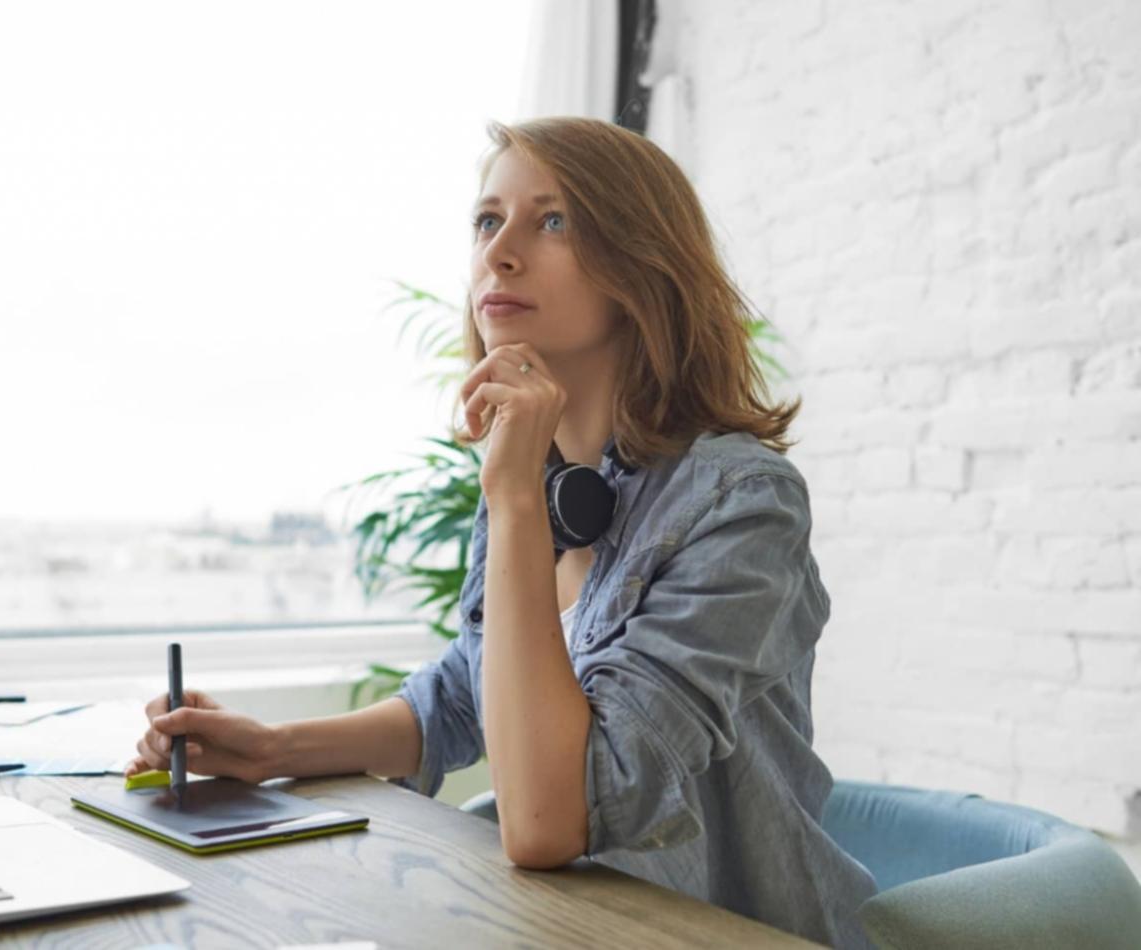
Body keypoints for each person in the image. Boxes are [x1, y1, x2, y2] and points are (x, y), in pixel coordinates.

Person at [126, 116, 878, 948]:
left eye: (551, 221)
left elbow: (550, 819)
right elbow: (464, 691)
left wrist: (514, 496)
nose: (500, 252)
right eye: (488, 221)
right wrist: (271, 749)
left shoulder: (740, 503)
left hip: (715, 931)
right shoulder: (533, 471)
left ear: (642, 266)